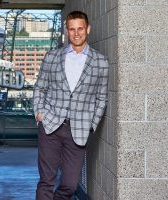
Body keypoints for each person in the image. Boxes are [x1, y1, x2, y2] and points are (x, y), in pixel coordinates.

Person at [33, 10, 109, 200]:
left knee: (70, 184)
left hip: (79, 130)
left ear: (88, 29)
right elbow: (40, 88)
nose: (76, 33)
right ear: (67, 31)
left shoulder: (101, 62)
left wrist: (92, 125)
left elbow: (101, 98)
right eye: (72, 29)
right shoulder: (52, 57)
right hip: (50, 126)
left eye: (80, 29)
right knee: (46, 181)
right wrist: (39, 114)